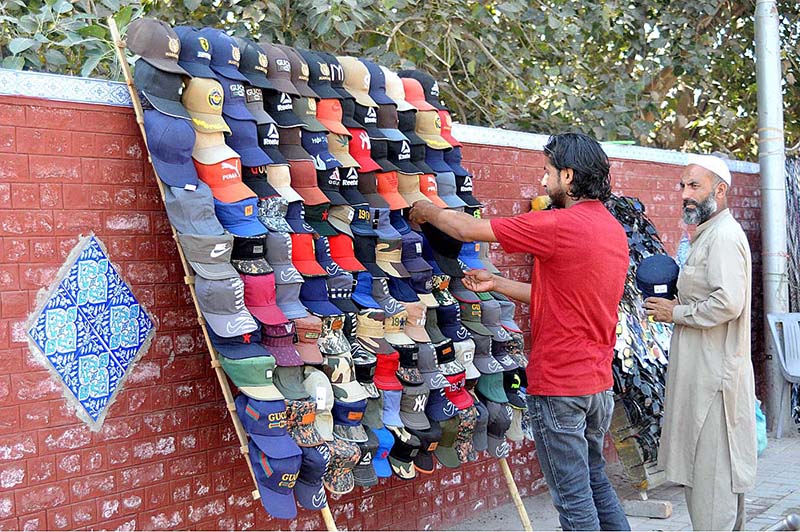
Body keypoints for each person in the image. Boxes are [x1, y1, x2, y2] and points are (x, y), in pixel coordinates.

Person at [409, 132, 631, 531]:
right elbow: (566, 298)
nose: (543, 182)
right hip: (597, 386)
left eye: (547, 173)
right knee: (596, 483)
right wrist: (497, 285)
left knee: (573, 502)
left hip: (561, 385)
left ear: (568, 176)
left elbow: (464, 229)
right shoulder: (611, 230)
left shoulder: (559, 225)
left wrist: (426, 210)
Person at [645, 154, 756, 531]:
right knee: (712, 484)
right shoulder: (708, 235)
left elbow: (728, 301)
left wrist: (676, 313)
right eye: (684, 186)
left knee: (712, 488)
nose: (686, 194)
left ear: (720, 190)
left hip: (714, 386)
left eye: (695, 186)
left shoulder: (723, 237)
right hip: (704, 378)